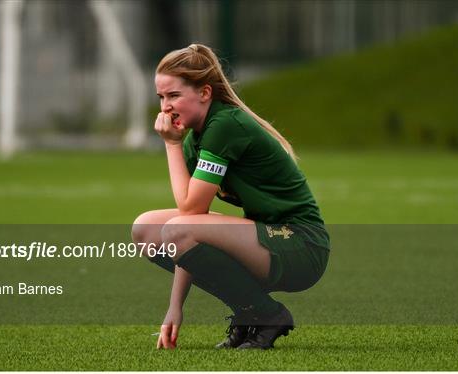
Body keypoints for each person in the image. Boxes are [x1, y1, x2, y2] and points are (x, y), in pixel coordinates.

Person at [131, 44, 330, 350]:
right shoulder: (195, 138)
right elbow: (189, 227)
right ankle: (248, 312)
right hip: (264, 242)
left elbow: (189, 210)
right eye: (161, 97)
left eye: (173, 95)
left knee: (175, 228)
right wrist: (175, 307)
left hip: (301, 244)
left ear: (205, 93)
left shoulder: (224, 125)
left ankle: (268, 315)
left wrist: (170, 145)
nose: (165, 107)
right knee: (146, 230)